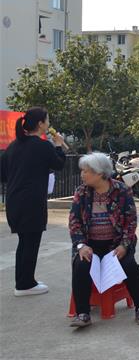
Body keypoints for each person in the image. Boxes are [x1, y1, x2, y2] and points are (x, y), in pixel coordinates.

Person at [68, 152, 139, 327]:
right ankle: (83, 313)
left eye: (86, 171)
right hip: (90, 245)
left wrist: (124, 245)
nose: (82, 174)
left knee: (129, 265)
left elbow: (131, 221)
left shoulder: (122, 190)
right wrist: (81, 245)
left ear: (99, 173)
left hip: (116, 245)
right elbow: (74, 222)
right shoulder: (81, 192)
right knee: (81, 265)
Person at [0, 107, 66, 296]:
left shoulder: (13, 146)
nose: (49, 123)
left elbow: (2, 175)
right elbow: (59, 164)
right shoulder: (42, 145)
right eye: (47, 120)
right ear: (40, 124)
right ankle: (25, 285)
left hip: (14, 201)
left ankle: (23, 281)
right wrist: (58, 145)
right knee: (31, 242)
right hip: (32, 202)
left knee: (24, 241)